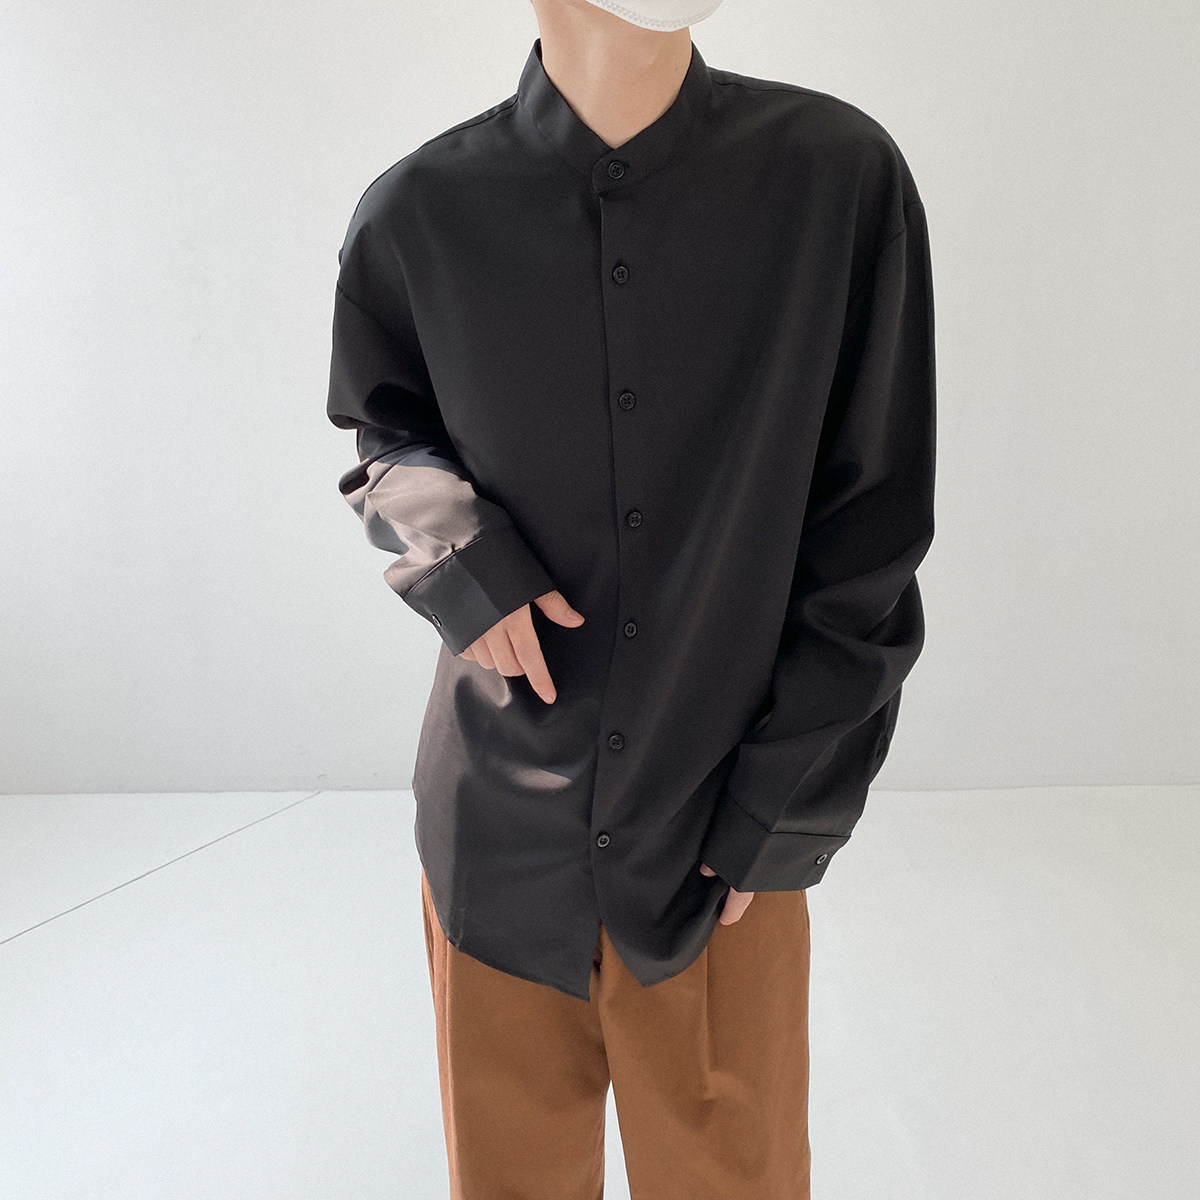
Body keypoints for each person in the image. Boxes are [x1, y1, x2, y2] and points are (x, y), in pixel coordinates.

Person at [325, 0, 936, 1195]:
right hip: (495, 835)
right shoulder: (419, 211)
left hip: (722, 842)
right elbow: (384, 434)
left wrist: (783, 810)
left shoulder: (836, 180)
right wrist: (464, 562)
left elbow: (871, 526)